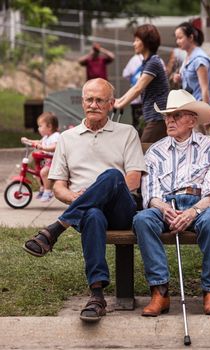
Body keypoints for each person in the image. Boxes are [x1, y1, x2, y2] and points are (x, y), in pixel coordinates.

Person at [22, 78, 146, 323]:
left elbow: (133, 179)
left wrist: (100, 191)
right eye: (89, 99)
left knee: (112, 176)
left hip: (121, 209)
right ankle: (97, 295)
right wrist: (75, 197)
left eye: (100, 100)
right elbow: (58, 186)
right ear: (82, 102)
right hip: (85, 212)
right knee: (92, 214)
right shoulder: (68, 138)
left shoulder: (126, 132)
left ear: (111, 104)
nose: (94, 104)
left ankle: (56, 228)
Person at [132, 89, 210, 316]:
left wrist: (192, 212)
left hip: (199, 205)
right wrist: (166, 209)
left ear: (192, 120)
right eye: (167, 116)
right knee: (142, 219)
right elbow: (150, 194)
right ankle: (160, 292)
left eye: (176, 115)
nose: (169, 120)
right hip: (166, 206)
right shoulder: (155, 151)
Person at [115, 24, 169, 143]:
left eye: (137, 40)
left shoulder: (153, 62)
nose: (134, 44)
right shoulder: (147, 62)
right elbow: (136, 86)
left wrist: (120, 104)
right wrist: (119, 101)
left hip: (158, 117)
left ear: (146, 42)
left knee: (142, 152)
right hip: (154, 117)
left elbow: (138, 88)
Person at [173, 22, 210, 129]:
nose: (177, 41)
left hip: (199, 110)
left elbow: (205, 89)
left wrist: (206, 115)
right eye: (176, 38)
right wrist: (179, 79)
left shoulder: (199, 60)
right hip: (190, 109)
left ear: (191, 37)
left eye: (180, 38)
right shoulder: (188, 56)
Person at [21, 112, 60, 202]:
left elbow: (55, 147)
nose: (38, 129)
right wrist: (28, 141)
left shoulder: (55, 136)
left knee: (43, 172)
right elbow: (38, 142)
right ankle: (43, 188)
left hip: (55, 161)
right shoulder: (46, 137)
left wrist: (43, 148)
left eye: (40, 126)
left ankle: (48, 191)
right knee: (37, 173)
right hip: (47, 160)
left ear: (49, 126)